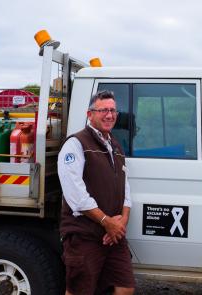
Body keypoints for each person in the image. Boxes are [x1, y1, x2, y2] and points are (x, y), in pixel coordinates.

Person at [58, 90, 135, 295]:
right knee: (79, 289)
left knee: (125, 286)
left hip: (113, 234)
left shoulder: (115, 146)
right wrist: (106, 222)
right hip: (85, 234)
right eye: (103, 110)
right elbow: (75, 195)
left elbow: (124, 187)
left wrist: (120, 223)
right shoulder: (75, 144)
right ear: (89, 114)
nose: (109, 115)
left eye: (112, 110)